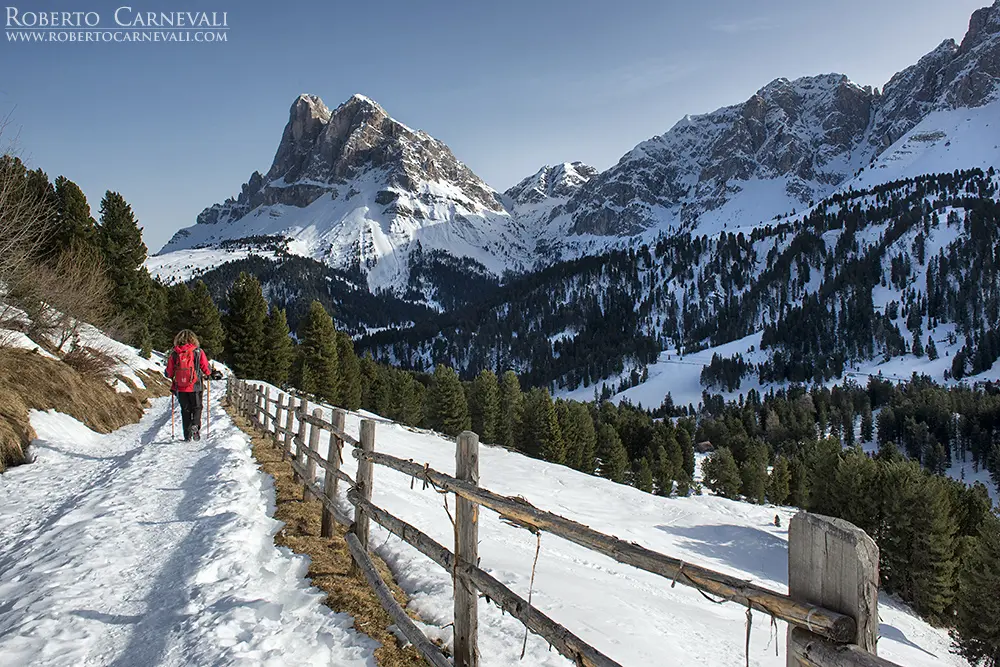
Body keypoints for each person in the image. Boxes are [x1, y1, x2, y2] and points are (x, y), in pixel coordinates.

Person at [165, 330, 213, 441]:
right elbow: (206, 368)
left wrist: (168, 373)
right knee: (197, 407)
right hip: (195, 385)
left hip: (180, 387)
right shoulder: (198, 351)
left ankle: (187, 436)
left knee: (185, 410)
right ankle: (195, 424)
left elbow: (169, 373)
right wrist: (209, 372)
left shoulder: (175, 353)